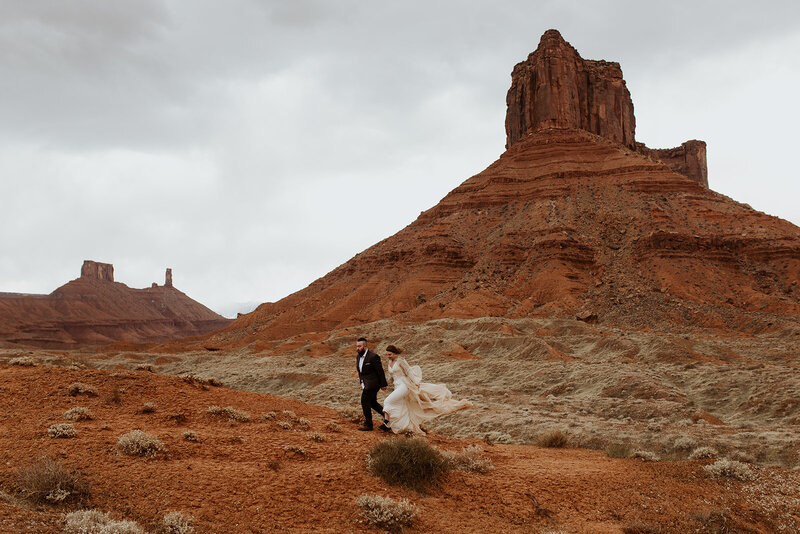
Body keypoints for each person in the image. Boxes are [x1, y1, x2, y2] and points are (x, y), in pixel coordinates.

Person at [382, 344, 471, 434]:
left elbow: (409, 372)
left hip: (404, 385)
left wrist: (416, 383)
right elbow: (392, 377)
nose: (388, 356)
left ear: (395, 354)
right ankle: (404, 427)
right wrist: (385, 384)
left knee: (388, 401)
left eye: (390, 354)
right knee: (400, 405)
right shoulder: (390, 363)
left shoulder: (401, 361)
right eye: (387, 354)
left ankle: (386, 422)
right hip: (396, 386)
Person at [355, 337, 390, 432]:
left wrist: (383, 384)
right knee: (373, 403)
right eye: (357, 346)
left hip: (373, 384)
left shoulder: (373, 356)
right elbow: (360, 372)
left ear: (365, 346)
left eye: (359, 346)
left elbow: (380, 371)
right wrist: (362, 383)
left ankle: (369, 424)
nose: (357, 348)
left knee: (364, 401)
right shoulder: (358, 356)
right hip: (365, 384)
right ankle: (388, 418)